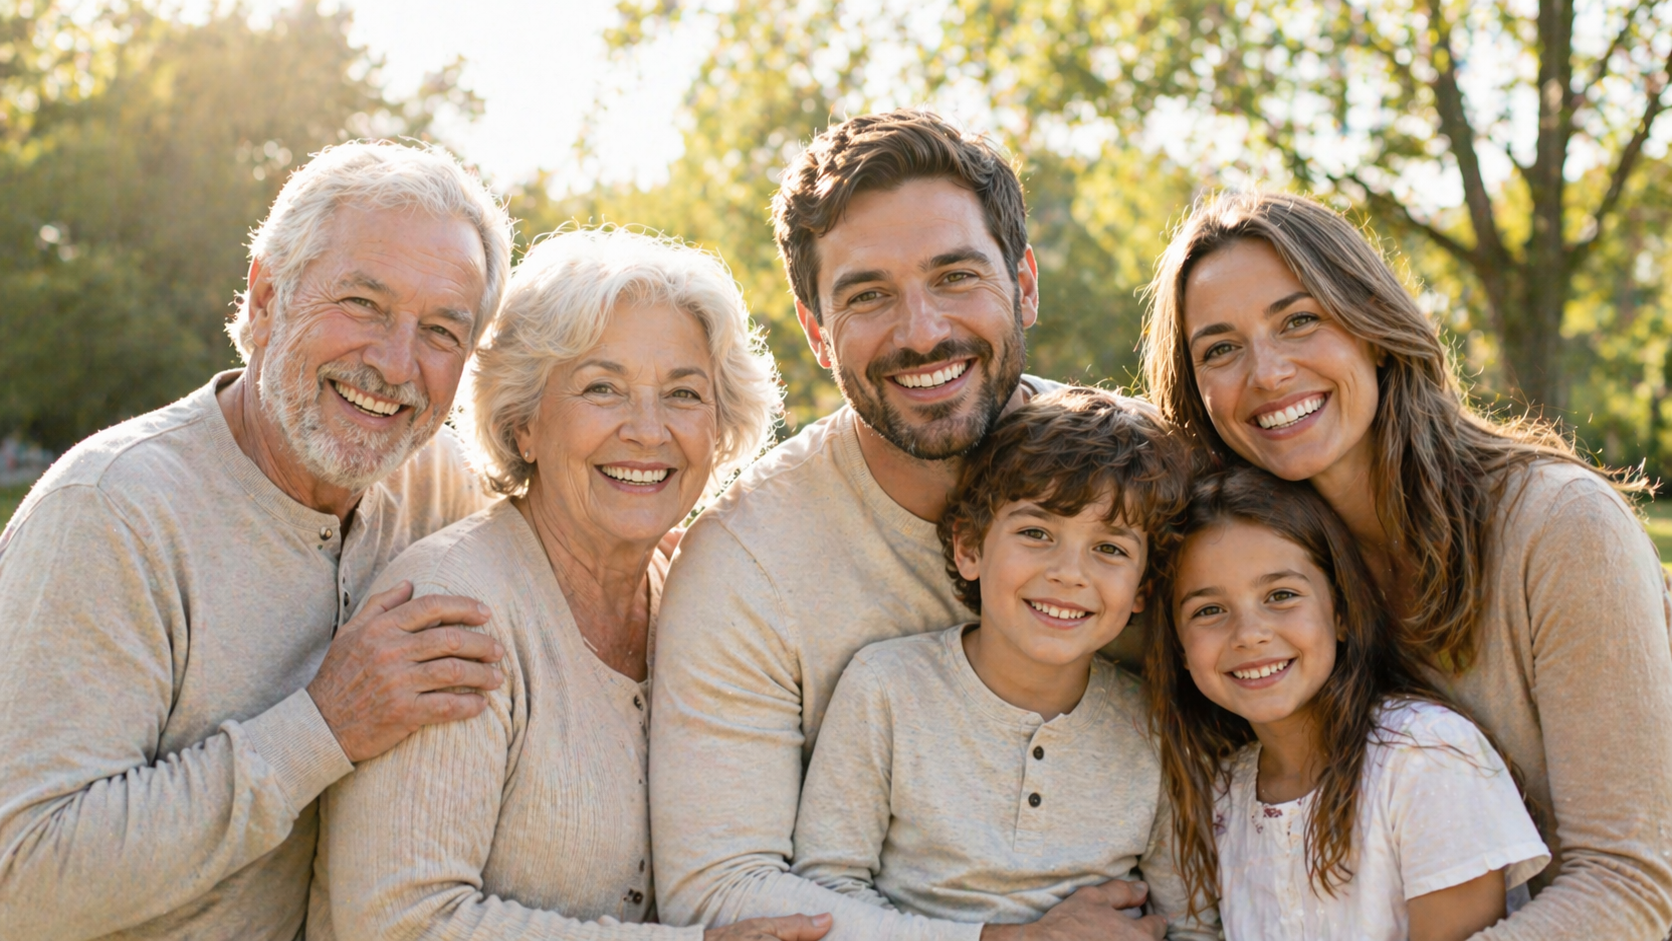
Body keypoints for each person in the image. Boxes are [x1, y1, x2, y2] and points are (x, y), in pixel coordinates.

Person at [651, 109, 1165, 941]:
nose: (922, 332)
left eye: (956, 276)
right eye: (868, 295)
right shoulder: (747, 561)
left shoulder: (1148, 482)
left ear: (1024, 283)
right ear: (817, 331)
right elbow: (721, 889)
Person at [0, 141, 515, 941]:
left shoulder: (432, 478)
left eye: (442, 331)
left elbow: (574, 527)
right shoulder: (111, 512)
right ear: (268, 296)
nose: (394, 363)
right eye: (363, 304)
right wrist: (322, 725)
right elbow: (21, 878)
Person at [1142, 190, 1672, 939]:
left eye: (1300, 320)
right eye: (1220, 348)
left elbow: (1633, 886)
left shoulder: (1560, 528)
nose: (1266, 372)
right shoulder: (1253, 574)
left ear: (1373, 326)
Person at [312, 228, 825, 941]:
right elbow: (401, 920)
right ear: (525, 424)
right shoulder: (454, 608)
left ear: (719, 426)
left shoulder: (699, 598)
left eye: (683, 393)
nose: (648, 431)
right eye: (602, 388)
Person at [790, 387, 1214, 940]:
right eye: (1036, 533)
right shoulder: (887, 690)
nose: (1069, 573)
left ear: (1144, 586)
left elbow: (1195, 926)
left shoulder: (1155, 726)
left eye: (1109, 548)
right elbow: (825, 894)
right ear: (969, 546)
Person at [1151, 466, 1549, 941]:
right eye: (1208, 610)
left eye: (1281, 595)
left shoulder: (1427, 756)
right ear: (1179, 646)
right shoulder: (1221, 796)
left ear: (1340, 612)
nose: (1249, 634)